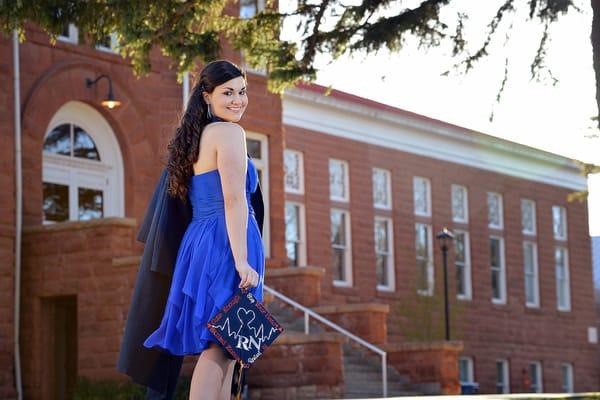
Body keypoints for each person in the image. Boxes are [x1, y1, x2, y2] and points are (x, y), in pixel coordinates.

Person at [117, 59, 265, 400]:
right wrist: (242, 261)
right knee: (222, 345)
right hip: (226, 245)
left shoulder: (199, 136)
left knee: (228, 348)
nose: (238, 100)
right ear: (206, 96)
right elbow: (234, 200)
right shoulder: (230, 133)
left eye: (242, 92)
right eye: (227, 93)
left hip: (200, 242)